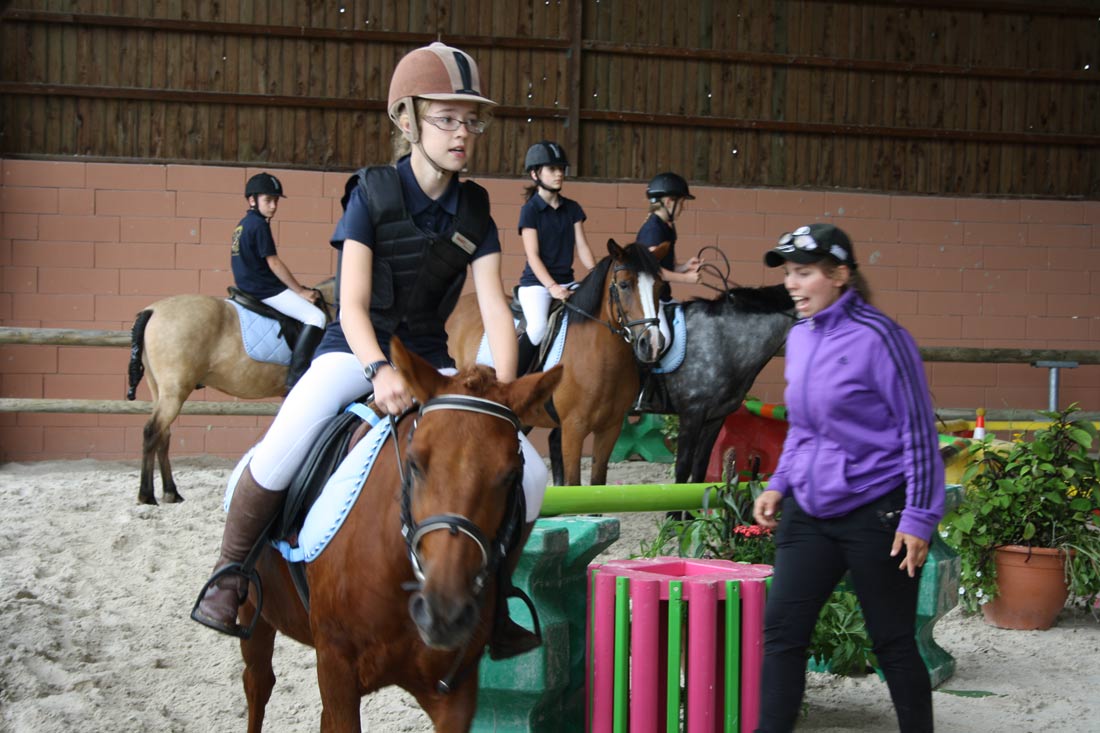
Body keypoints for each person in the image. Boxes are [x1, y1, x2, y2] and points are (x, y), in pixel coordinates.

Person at [193, 42, 544, 660]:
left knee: (534, 474)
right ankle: (231, 574)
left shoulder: (478, 208)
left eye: (472, 120)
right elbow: (351, 304)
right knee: (283, 445)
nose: (463, 133)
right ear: (406, 120)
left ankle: (495, 594)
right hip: (351, 351)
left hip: (431, 360)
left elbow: (495, 306)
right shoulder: (373, 194)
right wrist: (377, 369)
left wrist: (502, 399)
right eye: (446, 119)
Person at [752, 223, 945, 733]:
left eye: (805, 272)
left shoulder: (883, 338)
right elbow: (804, 428)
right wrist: (779, 483)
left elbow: (919, 435)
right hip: (809, 513)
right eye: (789, 273)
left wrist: (920, 517)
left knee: (893, 642)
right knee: (782, 634)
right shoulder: (799, 337)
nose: (792, 284)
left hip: (876, 511)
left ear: (839, 275)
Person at [231, 172, 327, 389]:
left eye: (275, 201)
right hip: (264, 289)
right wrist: (300, 291)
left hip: (249, 284)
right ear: (252, 200)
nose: (273, 206)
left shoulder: (243, 224)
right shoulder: (259, 225)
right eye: (268, 200)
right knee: (317, 317)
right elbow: (273, 263)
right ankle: (296, 377)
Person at [514, 140, 595, 373]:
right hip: (537, 285)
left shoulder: (573, 208)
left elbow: (583, 247)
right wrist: (551, 287)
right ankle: (513, 379)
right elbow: (533, 256)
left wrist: (596, 274)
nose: (559, 174)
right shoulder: (530, 210)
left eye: (561, 169)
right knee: (538, 327)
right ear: (535, 174)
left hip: (567, 281)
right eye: (552, 169)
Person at [632, 171, 702, 412]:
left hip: (663, 296)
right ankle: (641, 391)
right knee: (661, 337)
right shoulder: (653, 230)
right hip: (650, 299)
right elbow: (653, 272)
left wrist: (684, 266)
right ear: (669, 201)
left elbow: (665, 266)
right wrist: (686, 278)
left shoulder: (667, 227)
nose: (683, 208)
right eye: (681, 202)